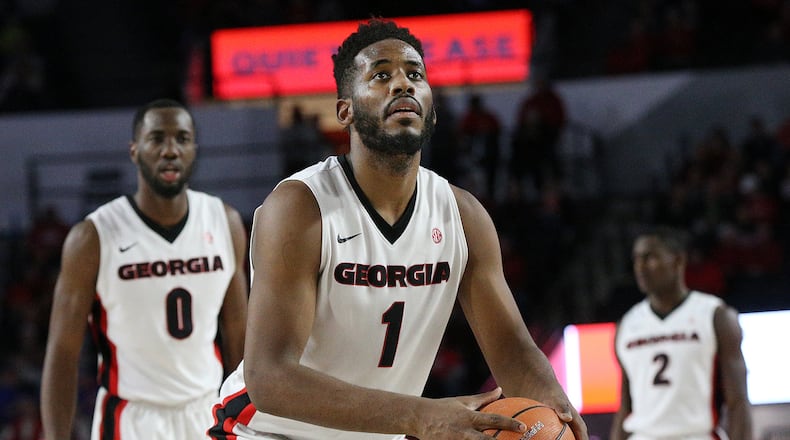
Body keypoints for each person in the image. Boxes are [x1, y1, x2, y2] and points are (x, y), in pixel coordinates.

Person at [209, 18, 587, 440]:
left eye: (415, 74)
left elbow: (515, 353)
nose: (402, 85)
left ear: (432, 106)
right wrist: (421, 416)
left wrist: (556, 410)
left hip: (384, 432)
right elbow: (270, 378)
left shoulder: (463, 216)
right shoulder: (301, 207)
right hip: (268, 432)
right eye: (381, 75)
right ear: (344, 110)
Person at [40, 98, 249, 439]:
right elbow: (63, 352)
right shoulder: (93, 236)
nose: (170, 150)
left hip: (207, 411)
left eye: (182, 138)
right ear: (135, 150)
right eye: (157, 139)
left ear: (194, 149)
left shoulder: (223, 222)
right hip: (130, 418)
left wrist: (247, 419)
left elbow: (238, 333)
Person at [610, 226, 752, 440]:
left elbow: (738, 401)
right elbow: (625, 406)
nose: (640, 267)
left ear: (678, 261)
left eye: (650, 258)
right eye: (637, 259)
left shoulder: (715, 315)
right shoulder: (627, 324)